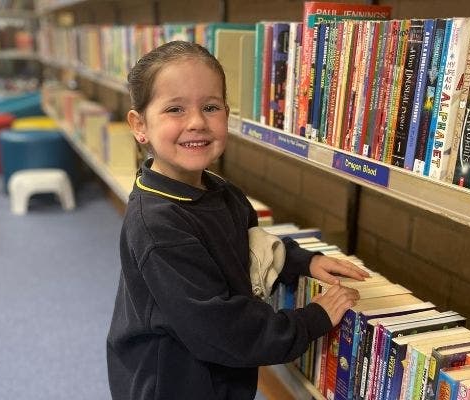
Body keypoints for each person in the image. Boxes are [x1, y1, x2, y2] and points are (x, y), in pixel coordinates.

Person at [106, 41, 370, 400]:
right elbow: (222, 330)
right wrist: (313, 319)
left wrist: (305, 261)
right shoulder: (157, 225)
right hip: (172, 385)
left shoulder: (222, 192)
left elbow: (249, 245)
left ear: (227, 114)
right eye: (175, 109)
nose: (197, 122)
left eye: (211, 107)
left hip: (219, 377)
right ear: (140, 125)